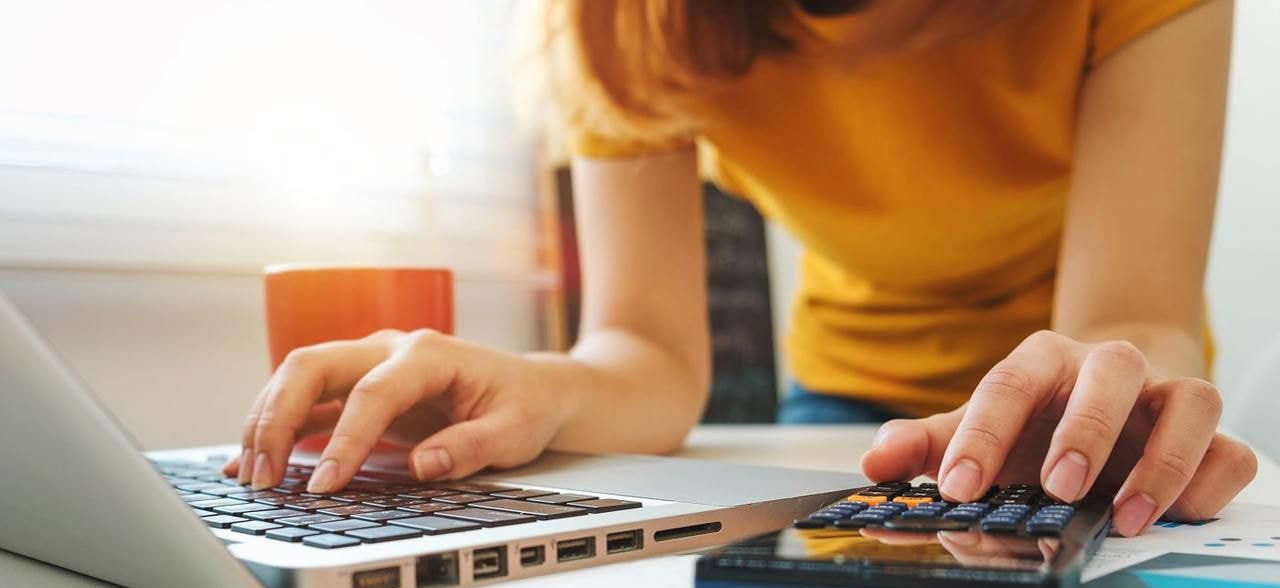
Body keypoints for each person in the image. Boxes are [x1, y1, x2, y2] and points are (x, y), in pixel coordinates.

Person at [225, 0, 1256, 537]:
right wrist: (538, 385)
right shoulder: (615, 23)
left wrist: (1120, 398)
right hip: (840, 404)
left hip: (1086, 409)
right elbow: (646, 349)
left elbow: (1133, 314)